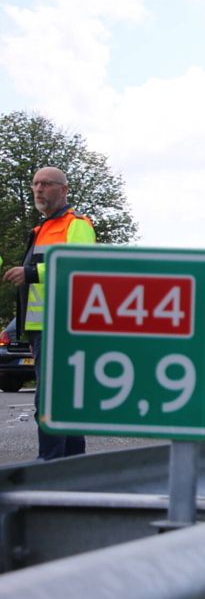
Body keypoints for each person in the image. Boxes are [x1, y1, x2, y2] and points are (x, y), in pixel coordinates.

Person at [2, 167, 95, 460]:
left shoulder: (75, 224)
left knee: (50, 401)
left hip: (63, 327)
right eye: (35, 184)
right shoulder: (41, 229)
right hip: (43, 328)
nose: (39, 189)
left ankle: (52, 463)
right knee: (60, 400)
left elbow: (81, 266)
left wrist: (30, 272)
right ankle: (70, 463)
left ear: (64, 190)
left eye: (46, 184)